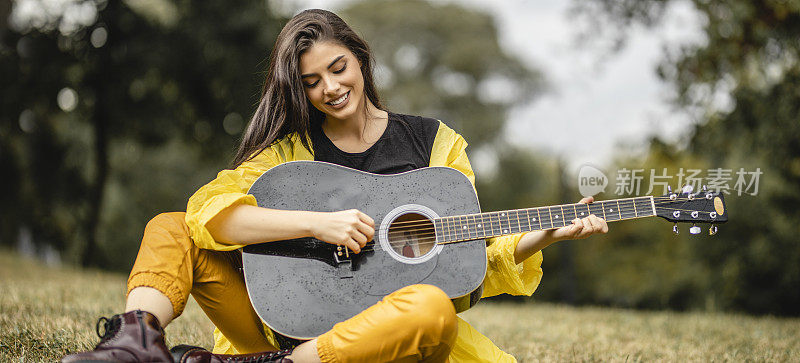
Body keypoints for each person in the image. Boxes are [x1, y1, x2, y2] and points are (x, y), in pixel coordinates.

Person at [62, 9, 608, 363]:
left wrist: (547, 235)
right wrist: (320, 223)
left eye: (338, 68)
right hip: (275, 325)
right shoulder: (290, 151)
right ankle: (131, 346)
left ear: (361, 60)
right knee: (170, 227)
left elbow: (465, 263)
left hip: (374, 344)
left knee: (431, 309)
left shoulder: (435, 146)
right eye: (311, 82)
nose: (330, 88)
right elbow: (211, 214)